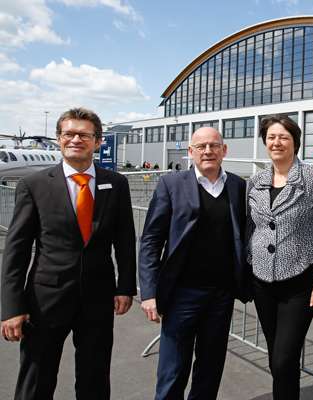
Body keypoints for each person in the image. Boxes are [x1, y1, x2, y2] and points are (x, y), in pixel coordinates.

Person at [0, 107, 136, 400]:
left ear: (97, 142)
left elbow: (125, 240)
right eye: (69, 134)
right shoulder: (33, 186)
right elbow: (16, 250)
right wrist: (11, 307)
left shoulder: (117, 183)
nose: (76, 139)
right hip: (44, 300)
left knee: (94, 377)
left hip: (98, 299)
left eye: (84, 135)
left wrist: (126, 286)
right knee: (36, 378)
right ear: (59, 139)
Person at [138, 127, 251, 399]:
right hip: (181, 294)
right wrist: (149, 292)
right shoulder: (172, 184)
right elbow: (151, 240)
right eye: (201, 146)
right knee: (173, 369)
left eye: (214, 146)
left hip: (221, 296)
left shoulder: (237, 185)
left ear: (224, 151)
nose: (208, 151)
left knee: (210, 368)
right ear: (190, 152)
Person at [247, 115, 313, 400]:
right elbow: (252, 227)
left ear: (295, 142)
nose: (277, 142)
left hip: (300, 281)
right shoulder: (255, 181)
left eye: (283, 137)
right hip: (262, 280)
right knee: (277, 357)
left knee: (284, 357)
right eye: (271, 137)